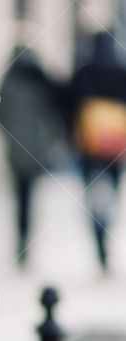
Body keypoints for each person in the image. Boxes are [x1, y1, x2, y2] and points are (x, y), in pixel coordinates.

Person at [0, 46, 66, 266]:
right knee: (31, 196)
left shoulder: (8, 83)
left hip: (16, 151)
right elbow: (57, 111)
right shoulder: (40, 82)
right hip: (36, 151)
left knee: (21, 196)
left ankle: (22, 239)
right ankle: (27, 239)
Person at [70, 30, 126, 271]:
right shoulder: (120, 72)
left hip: (89, 148)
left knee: (94, 198)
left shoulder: (84, 72)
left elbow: (69, 105)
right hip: (114, 147)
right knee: (110, 197)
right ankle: (106, 228)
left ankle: (100, 240)